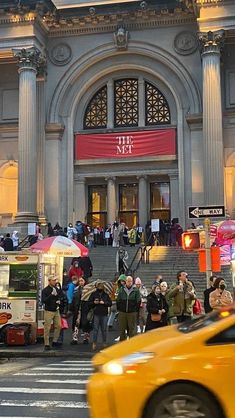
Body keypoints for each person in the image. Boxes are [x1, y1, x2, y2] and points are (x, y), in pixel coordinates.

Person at [88, 281, 112, 350]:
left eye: (101, 286)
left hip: (104, 314)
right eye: (99, 286)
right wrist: (94, 302)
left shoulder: (106, 295)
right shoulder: (93, 294)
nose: (100, 288)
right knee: (95, 330)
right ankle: (94, 343)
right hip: (96, 313)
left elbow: (110, 303)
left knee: (104, 329)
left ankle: (104, 342)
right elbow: (89, 303)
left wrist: (104, 303)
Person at [116, 275, 141, 341]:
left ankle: (131, 345)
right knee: (122, 329)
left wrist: (135, 310)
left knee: (131, 330)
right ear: (125, 281)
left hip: (132, 313)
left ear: (132, 282)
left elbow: (138, 301)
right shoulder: (121, 289)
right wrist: (120, 309)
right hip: (122, 312)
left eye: (130, 281)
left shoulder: (136, 290)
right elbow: (118, 300)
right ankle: (122, 345)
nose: (129, 282)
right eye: (128, 281)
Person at [41, 275, 61, 350]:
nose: (55, 282)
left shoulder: (56, 288)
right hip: (48, 310)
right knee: (47, 327)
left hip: (56, 310)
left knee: (59, 326)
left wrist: (59, 300)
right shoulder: (45, 290)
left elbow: (59, 296)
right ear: (49, 281)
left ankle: (55, 341)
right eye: (53, 280)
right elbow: (44, 300)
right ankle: (46, 344)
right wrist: (51, 295)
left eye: (55, 280)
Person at [70, 277, 86, 345]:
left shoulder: (87, 290)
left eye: (82, 281)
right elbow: (73, 299)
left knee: (86, 324)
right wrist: (71, 308)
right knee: (76, 324)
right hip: (77, 309)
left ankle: (86, 338)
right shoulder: (76, 289)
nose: (80, 282)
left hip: (85, 309)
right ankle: (75, 338)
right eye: (79, 281)